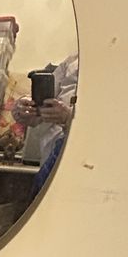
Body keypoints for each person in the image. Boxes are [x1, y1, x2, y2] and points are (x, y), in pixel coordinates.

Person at [13, 53, 77, 196]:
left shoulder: (125, 68)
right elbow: (42, 105)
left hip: (86, 159)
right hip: (52, 160)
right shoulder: (72, 62)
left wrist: (69, 118)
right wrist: (24, 108)